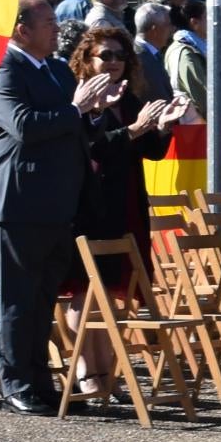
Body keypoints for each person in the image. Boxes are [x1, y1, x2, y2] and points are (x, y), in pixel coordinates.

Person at [0, 0, 117, 414]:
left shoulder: (56, 70)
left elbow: (74, 129)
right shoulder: (2, 70)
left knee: (42, 302)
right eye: (49, 22)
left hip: (58, 205)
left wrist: (94, 113)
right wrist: (77, 108)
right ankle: (16, 383)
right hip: (18, 204)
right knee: (17, 302)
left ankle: (41, 382)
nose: (58, 29)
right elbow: (23, 127)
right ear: (22, 29)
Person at [61, 25, 190, 396]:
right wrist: (133, 130)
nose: (114, 62)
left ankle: (107, 374)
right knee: (84, 292)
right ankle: (88, 371)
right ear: (87, 59)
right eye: (106, 55)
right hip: (88, 204)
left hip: (126, 203)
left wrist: (162, 128)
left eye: (120, 56)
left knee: (116, 292)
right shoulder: (79, 99)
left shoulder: (129, 99)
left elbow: (150, 150)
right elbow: (92, 149)